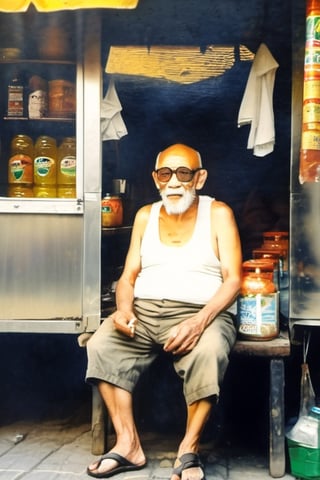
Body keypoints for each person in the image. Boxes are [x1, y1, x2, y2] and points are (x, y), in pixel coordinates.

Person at [86, 143, 242, 479]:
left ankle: (188, 450)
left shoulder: (218, 214)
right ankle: (128, 444)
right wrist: (123, 310)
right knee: (101, 345)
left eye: (183, 173)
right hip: (144, 309)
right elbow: (127, 278)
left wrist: (199, 322)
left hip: (204, 311)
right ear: (155, 179)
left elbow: (233, 280)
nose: (173, 182)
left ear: (199, 179)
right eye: (165, 173)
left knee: (210, 351)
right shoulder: (145, 215)